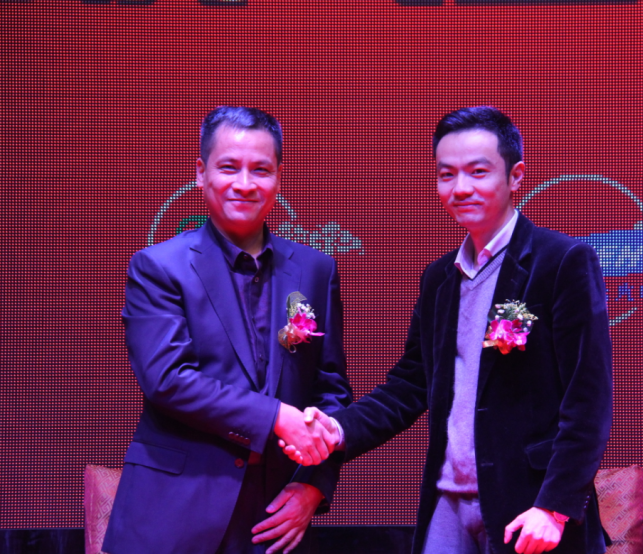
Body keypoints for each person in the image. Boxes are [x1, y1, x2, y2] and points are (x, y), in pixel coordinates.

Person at [285, 106, 613, 554]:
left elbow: (588, 400)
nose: (460, 188)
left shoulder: (562, 262)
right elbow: (409, 386)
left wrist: (554, 507)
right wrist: (337, 430)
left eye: (478, 172)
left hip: (529, 505)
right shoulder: (439, 278)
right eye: (446, 175)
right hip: (447, 502)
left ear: (515, 176)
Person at [103, 106, 352, 554]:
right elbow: (168, 381)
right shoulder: (158, 267)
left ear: (278, 178)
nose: (245, 183)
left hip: (276, 514)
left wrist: (314, 485)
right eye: (229, 167)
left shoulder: (316, 269)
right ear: (201, 174)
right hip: (177, 510)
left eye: (261, 169)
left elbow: (330, 390)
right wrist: (276, 417)